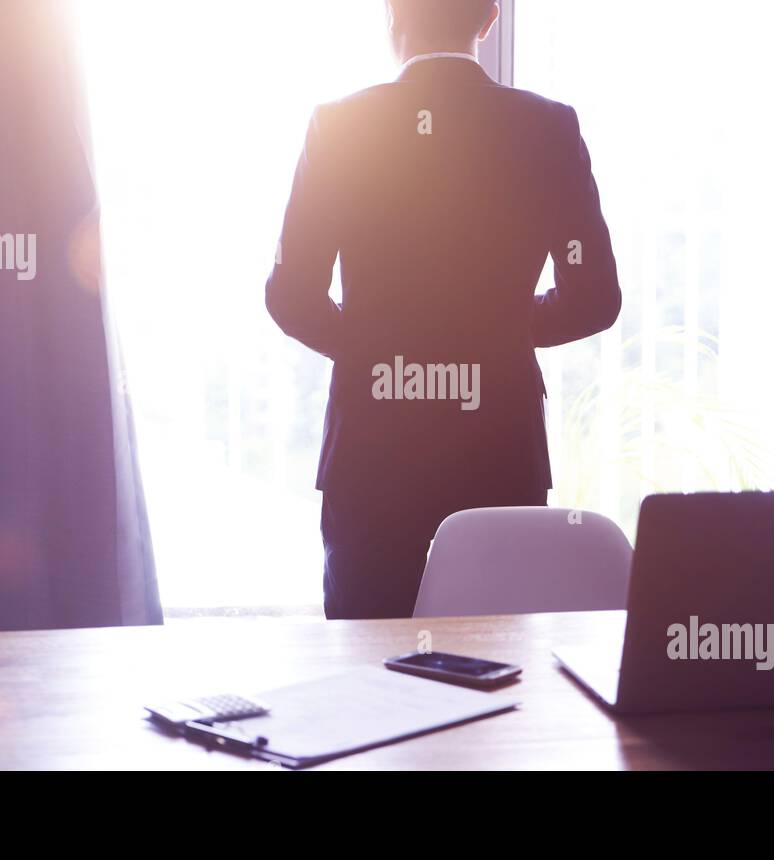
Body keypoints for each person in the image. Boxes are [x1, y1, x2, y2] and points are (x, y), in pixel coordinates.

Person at [266, 0, 620, 619]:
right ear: (489, 21)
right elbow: (595, 299)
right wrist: (500, 329)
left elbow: (290, 294)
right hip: (499, 452)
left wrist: (374, 344)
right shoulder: (547, 128)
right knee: (496, 675)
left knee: (368, 673)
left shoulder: (340, 126)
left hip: (372, 456)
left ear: (390, 16)